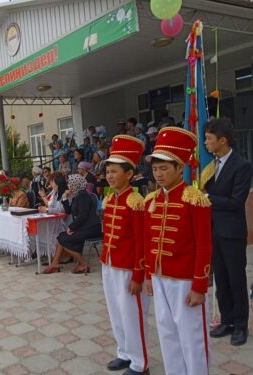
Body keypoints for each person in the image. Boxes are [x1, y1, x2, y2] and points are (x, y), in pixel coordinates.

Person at [144, 127, 212, 375]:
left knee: (192, 335)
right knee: (167, 332)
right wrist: (149, 275)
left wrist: (199, 286)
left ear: (179, 167)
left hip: (186, 279)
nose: (158, 174)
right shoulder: (151, 200)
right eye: (155, 169)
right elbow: (150, 241)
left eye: (164, 168)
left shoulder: (194, 199)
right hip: (160, 277)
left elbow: (204, 244)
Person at [101, 136, 149, 375]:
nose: (110, 176)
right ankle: (124, 352)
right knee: (116, 311)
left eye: (115, 171)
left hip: (129, 266)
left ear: (129, 174)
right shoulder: (110, 198)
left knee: (133, 315)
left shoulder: (136, 201)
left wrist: (139, 275)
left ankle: (140, 364)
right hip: (110, 263)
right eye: (108, 171)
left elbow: (142, 242)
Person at [203, 118, 252, 346]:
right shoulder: (211, 165)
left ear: (223, 141)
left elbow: (235, 201)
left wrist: (208, 198)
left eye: (209, 139)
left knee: (236, 279)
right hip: (214, 230)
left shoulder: (242, 165)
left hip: (232, 232)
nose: (205, 143)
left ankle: (241, 325)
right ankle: (227, 320)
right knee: (220, 279)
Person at [44, 174, 101, 274]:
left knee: (62, 238)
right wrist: (65, 198)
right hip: (84, 227)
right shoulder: (76, 195)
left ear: (76, 184)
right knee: (61, 236)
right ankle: (55, 263)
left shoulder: (83, 196)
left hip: (91, 228)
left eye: (70, 183)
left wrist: (71, 227)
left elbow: (83, 216)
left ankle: (83, 264)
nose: (68, 185)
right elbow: (69, 211)